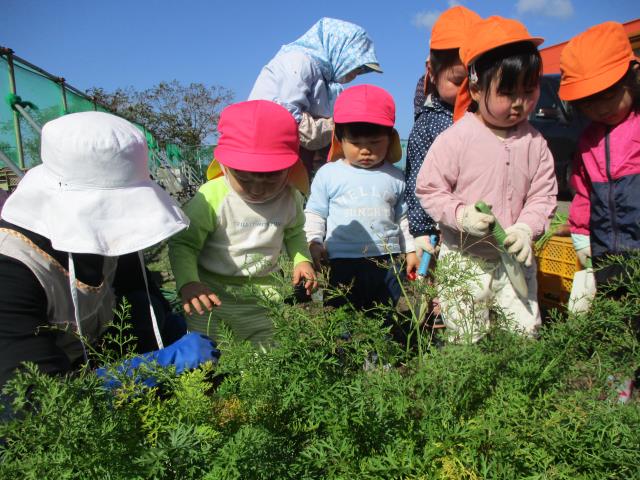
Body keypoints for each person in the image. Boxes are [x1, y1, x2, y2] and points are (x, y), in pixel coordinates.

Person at [0, 111, 219, 393]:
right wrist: (157, 366)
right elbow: (31, 400)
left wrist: (173, 333)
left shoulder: (111, 237)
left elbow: (140, 295)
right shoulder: (12, 268)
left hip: (98, 362)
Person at [416, 17, 558, 342]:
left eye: (528, 90)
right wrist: (461, 215)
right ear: (476, 89)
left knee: (522, 332)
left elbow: (543, 196)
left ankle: (518, 375)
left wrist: (526, 228)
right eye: (507, 92)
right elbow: (430, 189)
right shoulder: (457, 138)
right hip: (464, 258)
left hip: (515, 260)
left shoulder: (535, 143)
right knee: (467, 335)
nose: (519, 103)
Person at [169, 100, 317, 347]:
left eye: (270, 179)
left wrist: (302, 259)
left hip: (265, 298)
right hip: (211, 296)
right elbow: (184, 243)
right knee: (211, 355)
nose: (257, 189)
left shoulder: (290, 197)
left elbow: (294, 233)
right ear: (224, 166)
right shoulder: (211, 197)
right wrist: (188, 282)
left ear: (289, 167)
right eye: (245, 180)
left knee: (267, 357)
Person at [559, 21, 640, 401]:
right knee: (616, 325)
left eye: (608, 95)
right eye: (589, 102)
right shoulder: (588, 140)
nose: (600, 108)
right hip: (608, 253)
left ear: (632, 76)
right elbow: (583, 192)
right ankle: (617, 396)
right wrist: (579, 233)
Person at [304, 84, 419, 324]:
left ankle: (381, 347)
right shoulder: (329, 174)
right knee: (342, 317)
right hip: (341, 260)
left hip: (387, 259)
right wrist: (314, 242)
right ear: (339, 139)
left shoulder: (395, 177)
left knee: (382, 314)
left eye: (375, 142)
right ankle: (346, 348)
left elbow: (403, 218)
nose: (365, 150)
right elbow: (315, 212)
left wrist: (410, 250)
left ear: (390, 138)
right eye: (356, 143)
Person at [249, 17, 382, 178]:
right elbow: (286, 118)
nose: (356, 74)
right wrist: (336, 126)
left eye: (361, 70)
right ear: (339, 50)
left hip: (290, 160)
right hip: (266, 155)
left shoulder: (329, 84)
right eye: (356, 66)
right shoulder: (299, 62)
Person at [405, 5, 482, 268]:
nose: (467, 91)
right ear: (433, 71)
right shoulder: (429, 125)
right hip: (443, 230)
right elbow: (417, 179)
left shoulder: (489, 117)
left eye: (475, 81)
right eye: (458, 81)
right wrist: (421, 229)